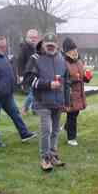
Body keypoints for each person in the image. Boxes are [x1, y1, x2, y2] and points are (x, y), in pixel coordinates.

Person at [0, 35, 36, 148]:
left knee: (15, 114)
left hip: (7, 93)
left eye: (5, 46)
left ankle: (24, 134)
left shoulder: (2, 56)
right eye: (2, 46)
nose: (4, 48)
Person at [24, 32, 69, 171]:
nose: (50, 47)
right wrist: (48, 84)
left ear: (57, 44)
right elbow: (29, 80)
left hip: (58, 101)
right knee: (46, 130)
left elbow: (66, 81)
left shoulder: (62, 59)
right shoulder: (35, 58)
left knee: (55, 130)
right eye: (47, 44)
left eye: (52, 44)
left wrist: (66, 102)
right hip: (42, 101)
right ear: (43, 44)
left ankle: (53, 155)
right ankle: (44, 158)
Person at [62, 37, 92, 146]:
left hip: (79, 92)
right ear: (66, 52)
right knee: (72, 115)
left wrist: (87, 77)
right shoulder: (63, 62)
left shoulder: (79, 61)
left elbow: (82, 76)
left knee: (76, 112)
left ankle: (66, 127)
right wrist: (75, 78)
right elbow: (63, 79)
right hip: (70, 92)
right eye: (71, 50)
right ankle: (71, 138)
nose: (74, 52)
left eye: (75, 49)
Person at [17, 29, 40, 115]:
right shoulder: (24, 48)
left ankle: (34, 110)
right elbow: (20, 62)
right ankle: (24, 108)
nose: (33, 39)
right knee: (33, 92)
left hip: (35, 74)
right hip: (27, 75)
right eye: (31, 37)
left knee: (35, 92)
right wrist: (20, 76)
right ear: (26, 38)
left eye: (35, 37)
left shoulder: (36, 48)